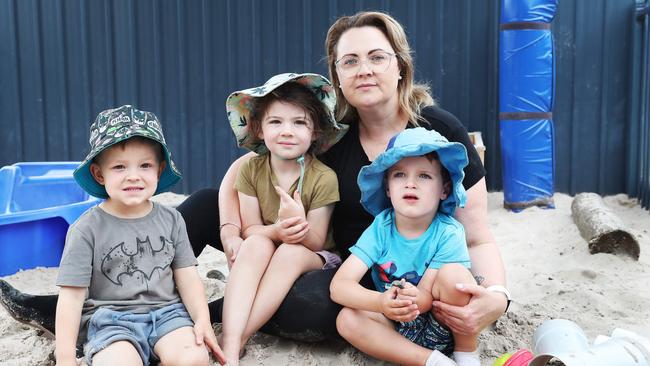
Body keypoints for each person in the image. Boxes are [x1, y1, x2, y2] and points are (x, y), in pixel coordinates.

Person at [0, 10, 508, 352]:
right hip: (297, 240)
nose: (364, 70)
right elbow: (248, 171)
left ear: (400, 65)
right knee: (198, 203)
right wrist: (230, 231)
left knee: (309, 305)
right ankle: (93, 296)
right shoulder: (332, 134)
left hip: (355, 272)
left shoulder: (438, 130)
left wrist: (497, 294)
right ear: (337, 75)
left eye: (376, 56)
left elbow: (478, 234)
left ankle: (185, 316)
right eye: (349, 61)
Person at [53, 105, 225, 366]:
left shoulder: (171, 219)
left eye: (145, 165)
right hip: (111, 320)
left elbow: (187, 277)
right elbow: (72, 296)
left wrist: (202, 319)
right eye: (120, 167)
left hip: (168, 315)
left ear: (159, 170)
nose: (133, 176)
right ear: (99, 174)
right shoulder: (86, 229)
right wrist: (64, 356)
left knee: (194, 358)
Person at [219, 73, 345, 364]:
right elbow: (251, 228)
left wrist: (297, 223)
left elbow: (315, 241)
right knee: (255, 245)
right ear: (259, 129)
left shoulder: (323, 178)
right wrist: (276, 229)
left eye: (299, 122)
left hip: (314, 256)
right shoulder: (251, 170)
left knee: (289, 252)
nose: (287, 131)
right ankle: (232, 334)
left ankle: (237, 337)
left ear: (315, 132)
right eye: (275, 121)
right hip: (268, 247)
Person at [330, 127, 479, 366]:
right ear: (388, 188)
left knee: (455, 277)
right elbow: (339, 286)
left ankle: (467, 354)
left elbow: (426, 299)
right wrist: (380, 303)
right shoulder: (381, 227)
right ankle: (433, 362)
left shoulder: (448, 232)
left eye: (424, 176)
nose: (410, 184)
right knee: (347, 319)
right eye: (399, 175)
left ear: (444, 190)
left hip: (442, 321)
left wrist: (409, 300)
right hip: (395, 321)